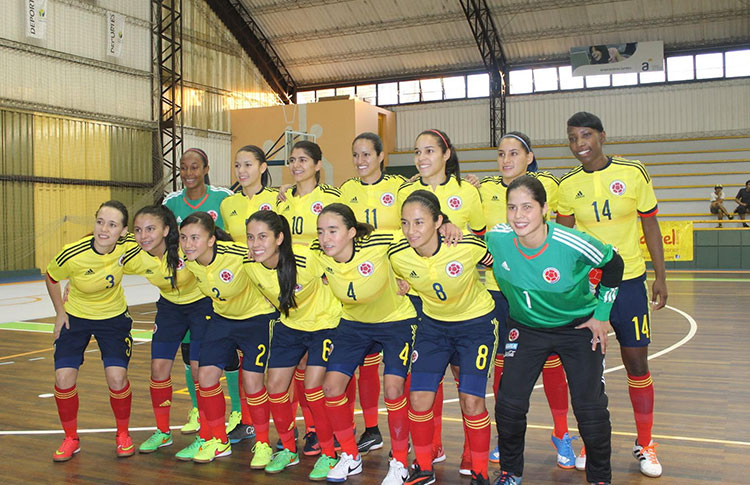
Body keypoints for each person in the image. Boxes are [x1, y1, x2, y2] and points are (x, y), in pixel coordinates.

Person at [486, 175, 624, 485]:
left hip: (577, 328)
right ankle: (510, 472)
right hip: (526, 328)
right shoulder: (497, 239)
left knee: (590, 409)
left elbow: (614, 264)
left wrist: (601, 315)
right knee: (509, 404)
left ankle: (600, 479)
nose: (518, 216)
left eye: (527, 207)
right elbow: (470, 246)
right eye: (512, 208)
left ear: (545, 209)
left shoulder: (571, 242)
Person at [557, 112, 667, 478]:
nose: (579, 144)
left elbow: (650, 224)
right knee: (590, 372)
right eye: (573, 138)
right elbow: (565, 242)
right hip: (590, 290)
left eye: (586, 135)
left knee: (637, 364)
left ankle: (646, 443)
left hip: (631, 283)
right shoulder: (567, 185)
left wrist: (661, 277)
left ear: (603, 135)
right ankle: (593, 440)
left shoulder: (633, 172)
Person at [479, 132, 575, 469]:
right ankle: (504, 437)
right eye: (501, 154)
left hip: (540, 291)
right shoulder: (484, 190)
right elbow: (476, 236)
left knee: (552, 364)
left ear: (529, 157)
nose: (506, 160)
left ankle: (561, 432)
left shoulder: (547, 184)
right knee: (503, 365)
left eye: (514, 153)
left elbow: (564, 231)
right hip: (500, 291)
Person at [390, 190, 497, 485]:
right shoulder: (397, 256)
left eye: (419, 222)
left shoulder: (468, 247)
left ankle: (480, 472)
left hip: (475, 326)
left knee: (472, 401)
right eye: (405, 223)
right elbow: (396, 275)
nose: (411, 231)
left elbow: (499, 263)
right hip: (433, 328)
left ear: (438, 221)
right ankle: (424, 468)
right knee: (419, 397)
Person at [310, 203, 417, 484]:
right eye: (321, 231)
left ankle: (400, 462)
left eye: (333, 231)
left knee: (393, 389)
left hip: (396, 321)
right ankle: (350, 456)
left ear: (351, 232)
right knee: (331, 387)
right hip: (354, 325)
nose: (325, 238)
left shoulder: (380, 243)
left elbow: (417, 233)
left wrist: (448, 226)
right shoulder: (319, 256)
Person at [398, 128, 485, 470]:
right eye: (417, 152)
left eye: (429, 151)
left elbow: (482, 237)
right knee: (425, 377)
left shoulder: (467, 192)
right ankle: (432, 446)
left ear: (447, 154)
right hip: (419, 297)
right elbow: (397, 239)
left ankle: (470, 451)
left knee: (466, 381)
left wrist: (456, 230)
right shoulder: (405, 190)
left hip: (462, 300)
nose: (421, 158)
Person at [244, 210, 342, 479]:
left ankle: (329, 453)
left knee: (312, 387)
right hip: (291, 326)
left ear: (279, 238)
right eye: (251, 237)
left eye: (263, 236)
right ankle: (287, 448)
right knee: (274, 386)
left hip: (325, 325)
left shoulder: (306, 258)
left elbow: (339, 269)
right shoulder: (250, 265)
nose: (256, 244)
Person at [179, 212, 278, 464]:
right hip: (222, 319)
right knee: (206, 376)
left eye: (194, 238)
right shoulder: (188, 260)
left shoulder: (238, 254)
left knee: (253, 381)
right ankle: (219, 441)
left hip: (255, 319)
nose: (188, 244)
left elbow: (272, 264)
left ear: (211, 240)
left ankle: (263, 443)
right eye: (183, 238)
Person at [162, 148, 246, 437]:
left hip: (218, 287)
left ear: (206, 168)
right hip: (187, 290)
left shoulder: (223, 198)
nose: (188, 174)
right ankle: (198, 410)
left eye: (194, 167)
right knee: (190, 355)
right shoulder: (171, 202)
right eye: (183, 168)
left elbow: (237, 237)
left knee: (228, 352)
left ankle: (237, 409)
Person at [45, 200, 138, 461]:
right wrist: (60, 313)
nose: (104, 229)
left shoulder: (129, 245)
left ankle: (123, 434)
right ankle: (70, 438)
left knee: (117, 379)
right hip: (76, 317)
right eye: (100, 222)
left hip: (113, 318)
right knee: (63, 378)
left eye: (112, 224)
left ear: (123, 230)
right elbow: (51, 276)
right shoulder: (72, 253)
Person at [119, 205, 214, 456]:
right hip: (170, 308)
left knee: (198, 370)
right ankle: (163, 432)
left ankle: (207, 435)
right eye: (138, 230)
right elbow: (103, 260)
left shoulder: (185, 248)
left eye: (151, 229)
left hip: (201, 304)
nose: (144, 236)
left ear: (166, 230)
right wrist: (71, 284)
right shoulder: (136, 255)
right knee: (158, 369)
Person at [339, 132, 407, 454]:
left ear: (381, 156)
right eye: (356, 155)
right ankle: (370, 429)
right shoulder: (345, 191)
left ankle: (404, 441)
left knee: (397, 374)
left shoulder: (399, 188)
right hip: (359, 289)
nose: (360, 161)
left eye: (367, 154)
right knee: (366, 365)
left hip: (396, 286)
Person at [277, 139, 342, 454]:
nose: (296, 165)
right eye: (292, 160)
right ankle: (308, 427)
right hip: (293, 289)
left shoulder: (330, 197)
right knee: (299, 364)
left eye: (303, 159)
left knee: (324, 370)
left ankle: (323, 428)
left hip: (323, 290)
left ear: (318, 165)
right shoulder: (284, 200)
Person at [220, 144, 279, 243]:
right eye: (237, 166)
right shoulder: (227, 203)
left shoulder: (278, 198)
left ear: (262, 167)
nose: (241, 171)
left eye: (247, 165)